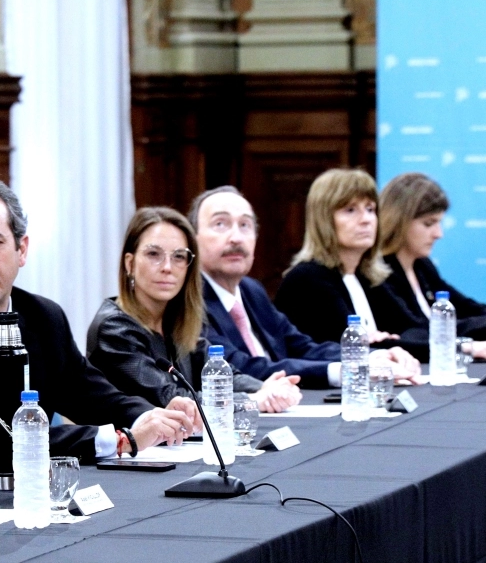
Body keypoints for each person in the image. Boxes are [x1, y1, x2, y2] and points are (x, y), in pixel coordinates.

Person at [0, 177, 203, 473]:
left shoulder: (44, 316)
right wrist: (121, 440)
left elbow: (90, 394)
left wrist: (150, 416)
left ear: (21, 249)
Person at [189, 186, 421, 389]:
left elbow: (302, 346)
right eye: (220, 224)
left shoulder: (252, 290)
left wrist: (371, 357)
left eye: (245, 225)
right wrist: (344, 372)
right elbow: (239, 365)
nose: (236, 237)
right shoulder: (189, 300)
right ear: (193, 239)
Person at [86, 206, 302, 412]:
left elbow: (221, 374)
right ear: (129, 264)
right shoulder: (114, 329)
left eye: (179, 256)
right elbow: (171, 398)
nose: (167, 268)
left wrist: (266, 389)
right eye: (154, 254)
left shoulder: (174, 320)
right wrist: (253, 399)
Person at [273, 169, 428, 359]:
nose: (366, 220)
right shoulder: (308, 278)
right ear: (324, 220)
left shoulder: (366, 275)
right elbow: (352, 347)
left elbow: (417, 328)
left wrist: (389, 341)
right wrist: (386, 342)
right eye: (350, 210)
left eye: (370, 209)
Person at [373, 172, 486, 362]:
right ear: (398, 222)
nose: (439, 234)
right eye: (429, 224)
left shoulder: (422, 265)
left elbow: (464, 306)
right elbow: (418, 329)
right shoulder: (377, 272)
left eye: (439, 222)